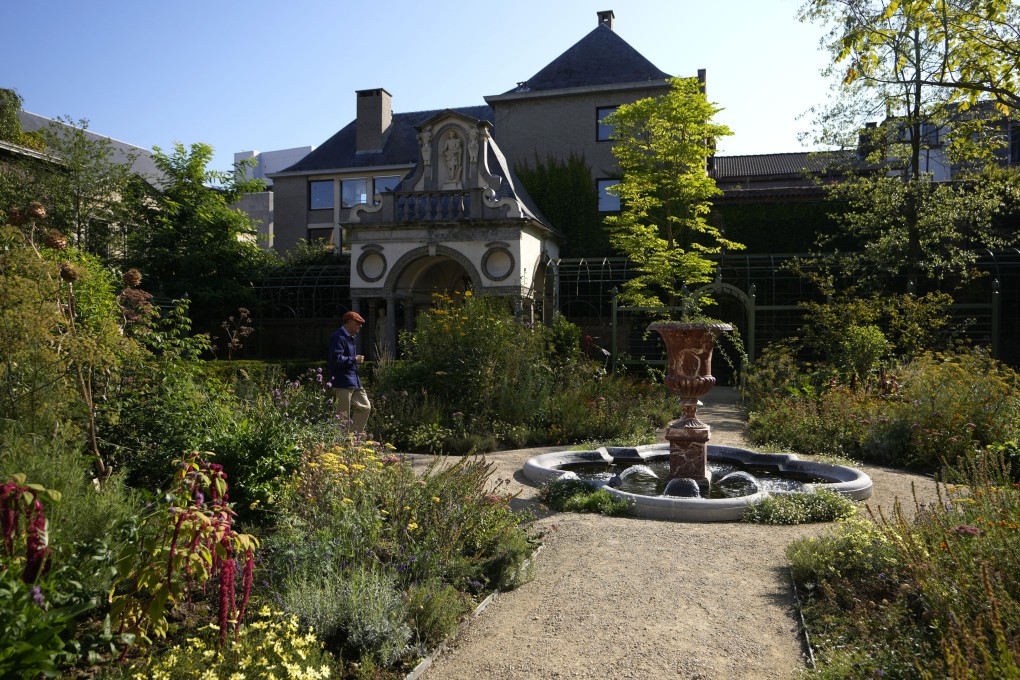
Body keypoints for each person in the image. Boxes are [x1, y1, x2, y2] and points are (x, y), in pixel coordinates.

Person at [329, 310, 371, 433]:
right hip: (342, 381)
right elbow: (336, 359)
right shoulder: (338, 337)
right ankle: (340, 444)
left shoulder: (349, 337)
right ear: (350, 323)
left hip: (354, 380)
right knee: (343, 415)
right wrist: (354, 359)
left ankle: (353, 439)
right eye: (358, 323)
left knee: (365, 407)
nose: (360, 326)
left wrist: (353, 360)